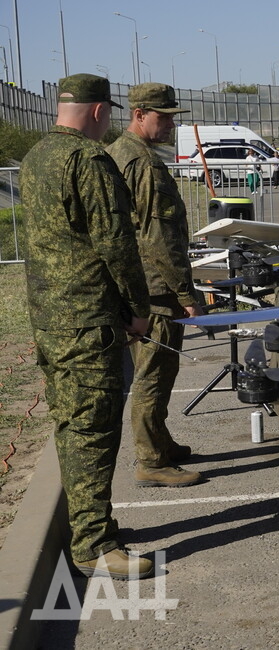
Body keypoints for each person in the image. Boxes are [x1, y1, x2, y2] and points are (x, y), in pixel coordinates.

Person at [21, 73, 153, 579]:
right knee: (92, 431)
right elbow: (116, 243)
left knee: (75, 425)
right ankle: (94, 544)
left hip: (54, 317)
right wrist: (138, 307)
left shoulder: (37, 157)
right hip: (87, 318)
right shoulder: (89, 159)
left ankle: (90, 526)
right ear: (99, 111)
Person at [106, 82, 204, 489]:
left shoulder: (121, 154)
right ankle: (150, 460)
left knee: (162, 368)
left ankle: (159, 443)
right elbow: (157, 237)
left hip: (143, 283)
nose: (169, 125)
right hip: (155, 287)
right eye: (163, 117)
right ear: (140, 114)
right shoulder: (141, 161)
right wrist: (187, 293)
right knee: (153, 373)